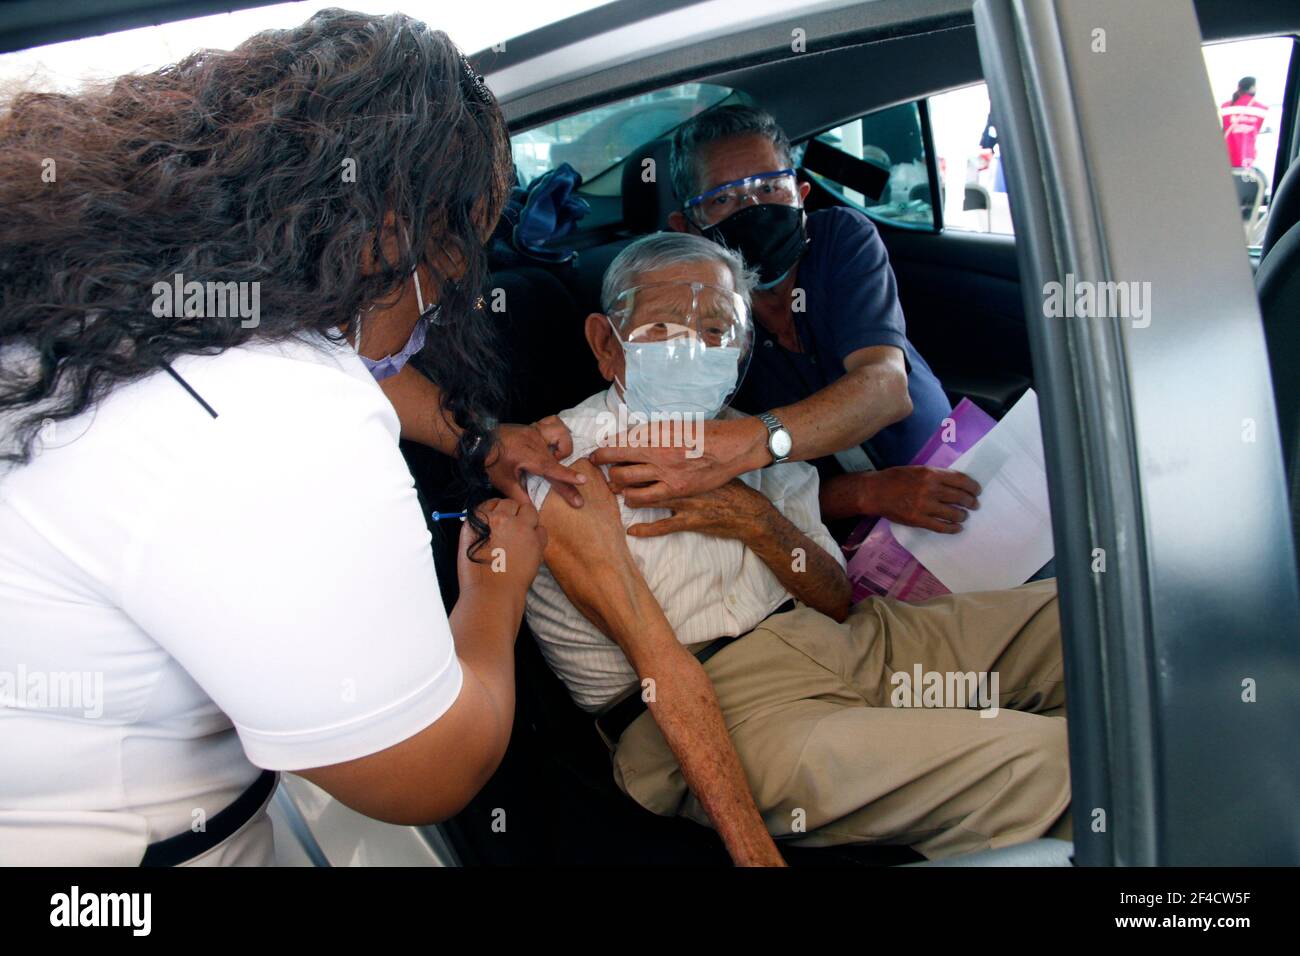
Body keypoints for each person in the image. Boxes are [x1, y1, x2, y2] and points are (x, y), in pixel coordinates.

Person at [0, 10, 552, 865]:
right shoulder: (282, 425)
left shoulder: (101, 277)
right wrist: (495, 591)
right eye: (455, 264)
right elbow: (427, 773)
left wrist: (477, 440)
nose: (444, 300)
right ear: (395, 236)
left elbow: (304, 344)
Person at [525, 233, 1070, 866]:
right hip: (727, 714)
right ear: (605, 344)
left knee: (1094, 621)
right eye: (663, 325)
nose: (691, 347)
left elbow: (837, 599)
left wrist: (757, 519)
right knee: (1045, 763)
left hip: (851, 643)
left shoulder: (756, 440)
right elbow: (662, 672)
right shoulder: (566, 470)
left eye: (714, 329)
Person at [593, 104, 981, 538]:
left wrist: (749, 442)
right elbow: (728, 484)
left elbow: (886, 388)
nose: (753, 207)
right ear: (688, 227)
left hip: (958, 480)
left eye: (770, 187)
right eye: (723, 198)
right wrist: (868, 494)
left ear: (801, 194)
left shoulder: (840, 241)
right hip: (840, 535)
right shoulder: (697, 323)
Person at [1221, 76, 1268, 169]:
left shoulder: (1225, 107)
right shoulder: (1261, 108)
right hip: (1247, 156)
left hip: (1227, 155)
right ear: (1252, 88)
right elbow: (1257, 130)